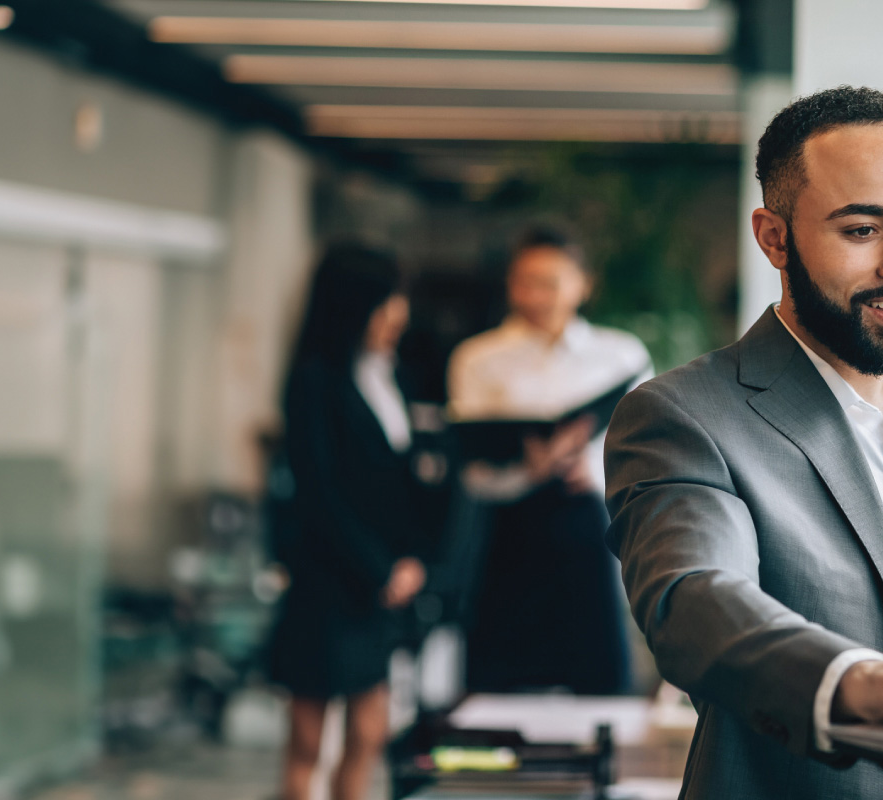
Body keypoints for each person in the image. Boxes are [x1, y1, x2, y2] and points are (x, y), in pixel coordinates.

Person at [603, 86, 883, 798]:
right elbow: (695, 598)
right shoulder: (684, 417)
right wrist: (858, 682)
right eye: (862, 230)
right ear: (774, 238)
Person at [447, 225, 651, 695]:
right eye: (524, 282)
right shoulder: (477, 358)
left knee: (597, 679)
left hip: (588, 524)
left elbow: (647, 453)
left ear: (583, 283)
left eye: (551, 282)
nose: (536, 295)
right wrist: (528, 467)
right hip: (510, 529)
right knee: (499, 684)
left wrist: (594, 469)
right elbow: (472, 466)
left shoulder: (619, 356)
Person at [266, 244, 433, 800]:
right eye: (387, 303)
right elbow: (319, 494)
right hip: (331, 582)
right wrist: (379, 568)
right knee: (310, 743)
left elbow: (399, 487)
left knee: (368, 732)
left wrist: (410, 562)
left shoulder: (392, 379)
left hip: (381, 587)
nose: (398, 315)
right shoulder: (314, 381)